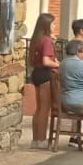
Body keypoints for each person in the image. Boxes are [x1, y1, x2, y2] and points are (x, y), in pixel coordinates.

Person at [27, 12, 60, 148]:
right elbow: (47, 61)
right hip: (46, 74)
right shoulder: (46, 41)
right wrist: (58, 64)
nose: (55, 25)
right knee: (44, 109)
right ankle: (41, 139)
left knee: (39, 108)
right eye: (53, 23)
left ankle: (35, 139)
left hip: (37, 73)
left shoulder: (37, 39)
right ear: (47, 25)